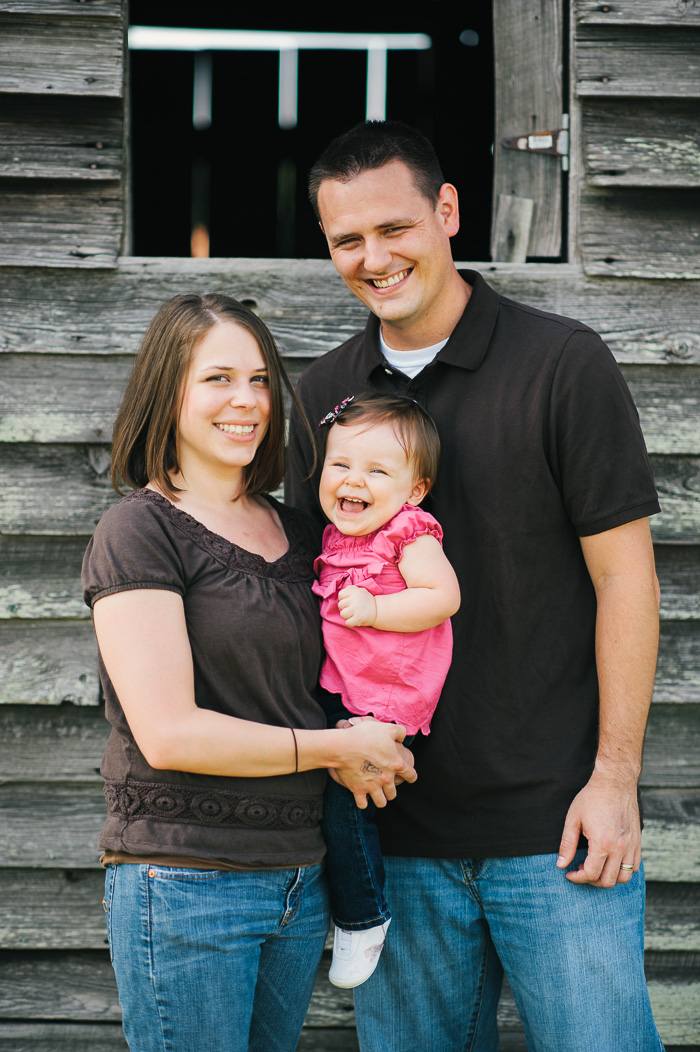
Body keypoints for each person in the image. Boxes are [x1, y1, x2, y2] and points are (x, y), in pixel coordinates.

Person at [285, 121, 664, 1052]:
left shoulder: (560, 364)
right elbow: (304, 595)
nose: (373, 259)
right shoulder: (323, 394)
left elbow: (626, 583)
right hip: (392, 835)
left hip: (558, 826)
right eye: (346, 241)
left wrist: (615, 779)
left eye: (395, 228)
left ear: (448, 212)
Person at [81, 293, 416, 1052]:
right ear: (168, 392)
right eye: (218, 378)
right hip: (186, 877)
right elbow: (167, 733)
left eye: (261, 379)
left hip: (298, 877)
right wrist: (337, 749)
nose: (246, 401)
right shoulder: (139, 529)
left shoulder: (303, 530)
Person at [313, 392, 460, 989]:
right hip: (347, 686)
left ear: (415, 490)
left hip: (388, 689)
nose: (354, 480)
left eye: (378, 470)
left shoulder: (407, 533)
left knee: (347, 807)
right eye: (341, 465)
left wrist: (374, 607)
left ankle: (362, 917)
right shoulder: (335, 535)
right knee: (330, 794)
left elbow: (442, 598)